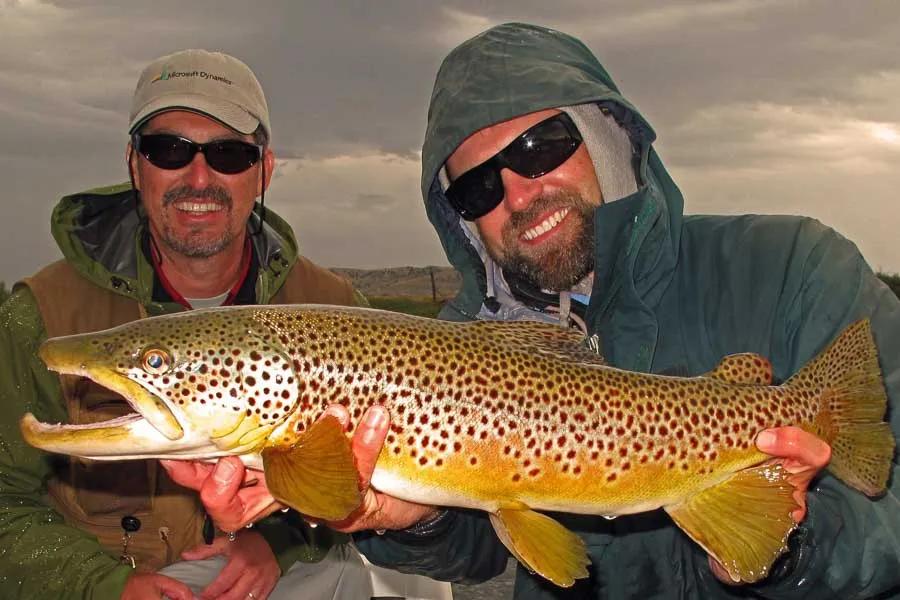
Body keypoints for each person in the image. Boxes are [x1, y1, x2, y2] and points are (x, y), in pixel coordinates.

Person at [171, 23, 900, 599]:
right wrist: (401, 515)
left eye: (540, 147)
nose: (518, 194)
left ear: (609, 144)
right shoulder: (459, 344)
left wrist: (790, 545)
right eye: (478, 190)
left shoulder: (796, 266)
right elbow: (484, 543)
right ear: (460, 221)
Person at [0, 49, 374, 599]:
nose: (199, 177)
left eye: (229, 154)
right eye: (169, 150)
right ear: (135, 164)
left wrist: (278, 543)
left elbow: (366, 480)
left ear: (264, 170)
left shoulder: (336, 309)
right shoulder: (42, 315)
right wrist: (105, 587)